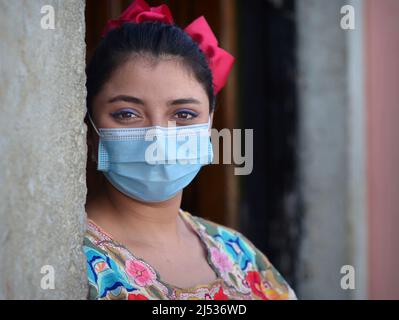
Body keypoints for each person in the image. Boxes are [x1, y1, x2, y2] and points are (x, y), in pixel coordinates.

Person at [84, 0, 296, 300]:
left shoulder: (238, 254)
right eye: (127, 114)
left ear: (209, 123)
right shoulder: (72, 263)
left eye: (183, 115)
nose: (157, 138)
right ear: (90, 129)